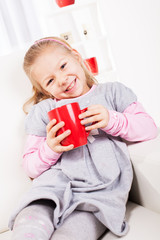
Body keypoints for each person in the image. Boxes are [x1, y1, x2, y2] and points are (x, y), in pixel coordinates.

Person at [9, 36, 157, 240]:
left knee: (74, 234)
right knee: (30, 219)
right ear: (45, 90)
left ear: (77, 58)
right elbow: (30, 167)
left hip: (98, 194)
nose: (61, 80)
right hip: (52, 187)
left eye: (63, 66)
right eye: (50, 80)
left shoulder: (113, 93)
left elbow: (149, 128)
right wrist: (51, 148)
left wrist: (112, 120)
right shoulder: (44, 111)